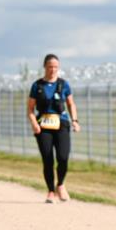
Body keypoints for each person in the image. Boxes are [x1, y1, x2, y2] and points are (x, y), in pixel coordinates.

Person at [27, 54, 80, 203]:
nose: (53, 70)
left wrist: (75, 120)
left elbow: (71, 104)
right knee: (48, 159)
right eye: (50, 66)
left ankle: (60, 185)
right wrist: (34, 123)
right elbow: (30, 109)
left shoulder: (64, 85)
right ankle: (50, 191)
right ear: (45, 67)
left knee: (63, 157)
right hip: (43, 126)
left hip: (61, 124)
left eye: (55, 67)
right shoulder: (37, 86)